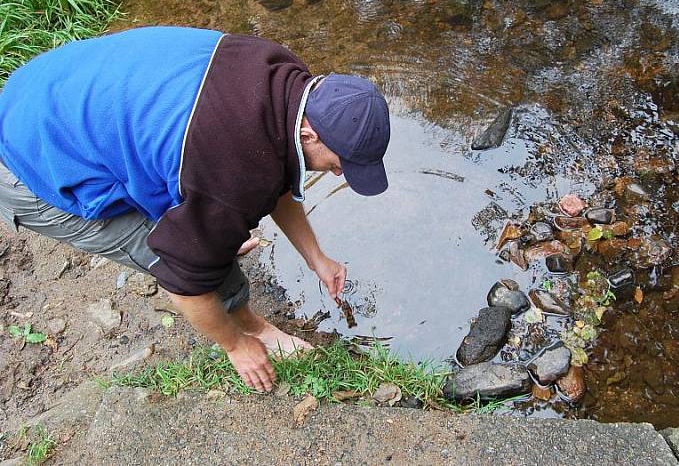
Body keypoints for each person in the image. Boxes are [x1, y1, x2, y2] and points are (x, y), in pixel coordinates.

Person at [0, 26, 391, 393]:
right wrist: (235, 343)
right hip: (28, 159)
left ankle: (203, 231)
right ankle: (252, 328)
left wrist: (316, 258)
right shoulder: (232, 171)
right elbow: (184, 284)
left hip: (43, 88)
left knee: (204, 222)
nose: (340, 173)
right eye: (342, 163)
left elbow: (278, 173)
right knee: (181, 257)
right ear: (309, 132)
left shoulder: (284, 78)